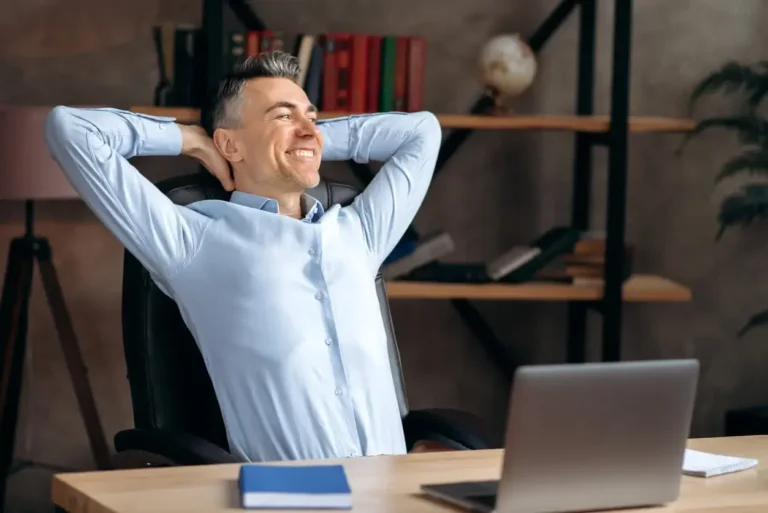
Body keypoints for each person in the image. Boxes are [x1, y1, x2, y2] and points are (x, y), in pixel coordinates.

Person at [44, 50, 441, 462]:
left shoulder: (360, 231)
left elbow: (422, 132)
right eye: (283, 116)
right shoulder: (191, 240)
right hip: (292, 502)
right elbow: (69, 129)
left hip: (395, 495)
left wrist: (306, 142)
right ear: (229, 143)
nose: (309, 128)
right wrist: (192, 139)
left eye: (312, 116)